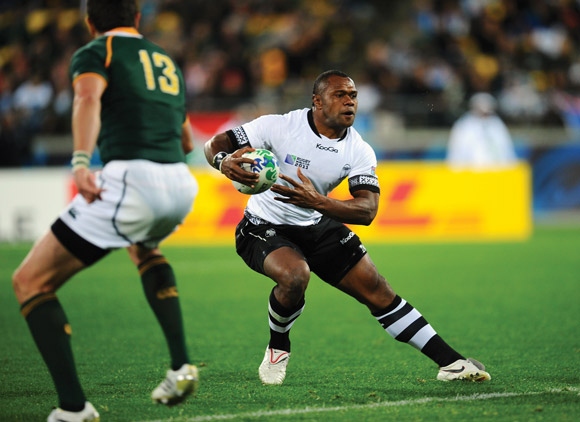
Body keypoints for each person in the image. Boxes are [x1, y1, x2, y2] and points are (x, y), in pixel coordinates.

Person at [204, 70, 491, 386]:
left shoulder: (358, 150)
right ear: (317, 102)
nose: (349, 102)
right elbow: (215, 143)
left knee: (378, 290)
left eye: (353, 95)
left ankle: (451, 363)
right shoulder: (280, 126)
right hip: (262, 226)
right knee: (295, 276)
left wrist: (317, 202)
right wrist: (223, 161)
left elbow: (368, 210)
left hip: (316, 222)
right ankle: (278, 346)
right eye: (339, 95)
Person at [12, 1, 199, 420]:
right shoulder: (164, 60)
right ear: (137, 18)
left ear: (89, 21)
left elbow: (86, 97)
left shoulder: (98, 51)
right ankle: (180, 366)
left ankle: (73, 409)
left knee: (30, 281)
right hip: (181, 182)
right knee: (143, 247)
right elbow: (186, 139)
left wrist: (81, 162)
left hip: (133, 180)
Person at [447, 92, 517, 169]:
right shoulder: (464, 125)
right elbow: (457, 152)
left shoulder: (497, 124)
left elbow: (506, 149)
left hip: (496, 171)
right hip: (469, 171)